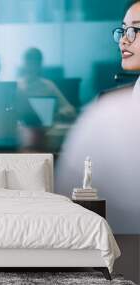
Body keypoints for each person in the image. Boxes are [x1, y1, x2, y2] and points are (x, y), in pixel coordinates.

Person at [55, 0, 140, 234]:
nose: (124, 39)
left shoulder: (108, 115)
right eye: (123, 30)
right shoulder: (109, 114)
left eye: (135, 30)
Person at [17, 47, 76, 123]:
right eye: (29, 63)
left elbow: (69, 109)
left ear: (40, 65)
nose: (32, 67)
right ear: (24, 65)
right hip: (22, 128)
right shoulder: (16, 86)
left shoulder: (48, 85)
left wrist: (62, 113)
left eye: (35, 63)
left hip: (45, 128)